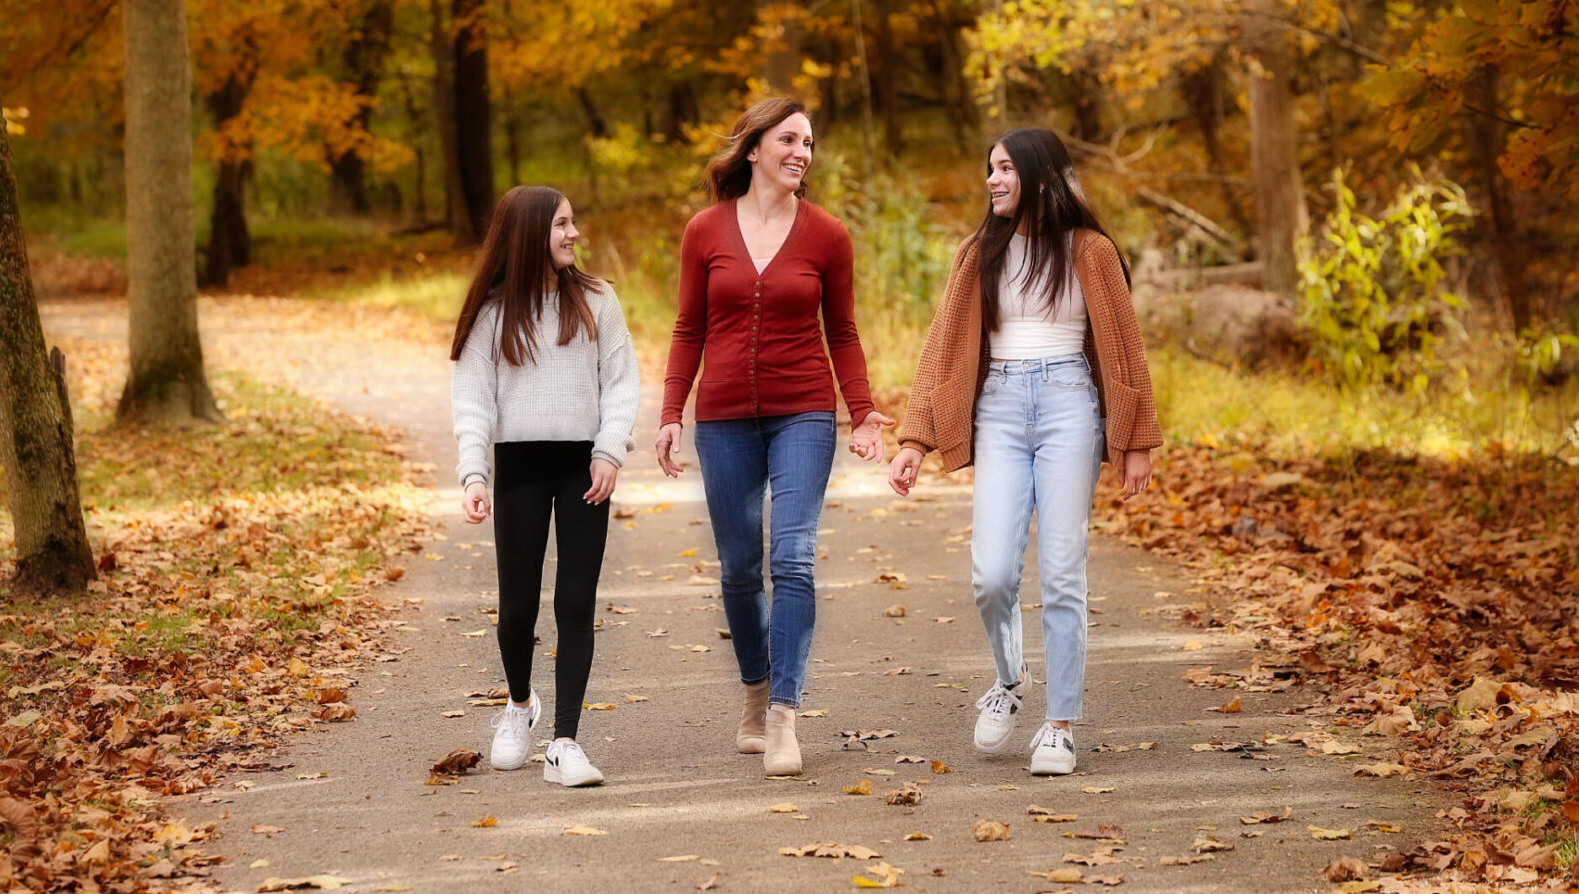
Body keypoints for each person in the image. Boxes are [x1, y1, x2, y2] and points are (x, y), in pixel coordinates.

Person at [888, 128, 1162, 776]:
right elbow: (942, 352)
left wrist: (1137, 442)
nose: (992, 179)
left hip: (1070, 405)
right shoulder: (979, 251)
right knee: (992, 575)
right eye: (990, 168)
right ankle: (1010, 682)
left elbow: (1125, 346)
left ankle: (1060, 724)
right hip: (1000, 411)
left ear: (1040, 174)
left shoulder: (1091, 250)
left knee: (1063, 572)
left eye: (1005, 167)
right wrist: (914, 440)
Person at [656, 97, 892, 777]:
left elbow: (841, 332)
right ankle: (755, 694)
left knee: (792, 556)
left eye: (809, 143)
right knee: (738, 566)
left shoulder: (828, 235)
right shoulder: (704, 231)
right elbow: (687, 329)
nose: (801, 153)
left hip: (803, 413)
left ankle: (785, 716)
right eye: (789, 139)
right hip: (724, 416)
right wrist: (672, 411)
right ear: (754, 149)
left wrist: (863, 408)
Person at [451, 185, 639, 788]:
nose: (573, 233)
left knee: (575, 602)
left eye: (573, 222)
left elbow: (622, 382)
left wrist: (610, 451)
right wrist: (474, 473)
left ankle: (564, 741)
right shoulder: (492, 314)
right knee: (517, 608)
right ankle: (519, 703)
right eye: (561, 224)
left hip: (584, 466)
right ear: (531, 232)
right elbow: (473, 400)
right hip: (520, 467)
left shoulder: (598, 301)